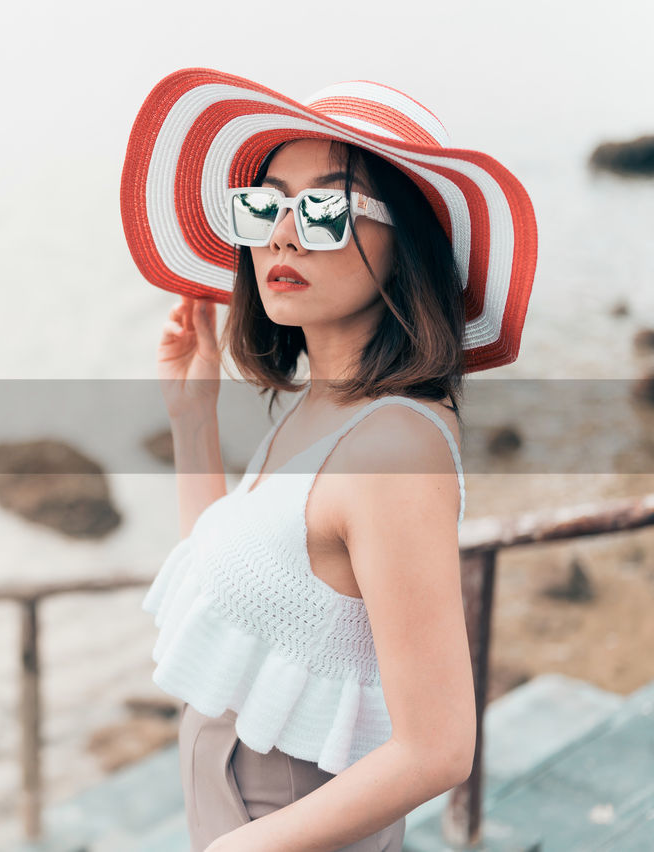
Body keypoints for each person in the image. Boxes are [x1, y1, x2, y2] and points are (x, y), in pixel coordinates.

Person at [120, 70, 537, 851]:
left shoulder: (393, 448)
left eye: (323, 209)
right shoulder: (322, 402)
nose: (280, 232)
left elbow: (439, 745)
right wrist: (191, 419)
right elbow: (228, 589)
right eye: (266, 202)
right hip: (238, 811)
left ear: (405, 240)